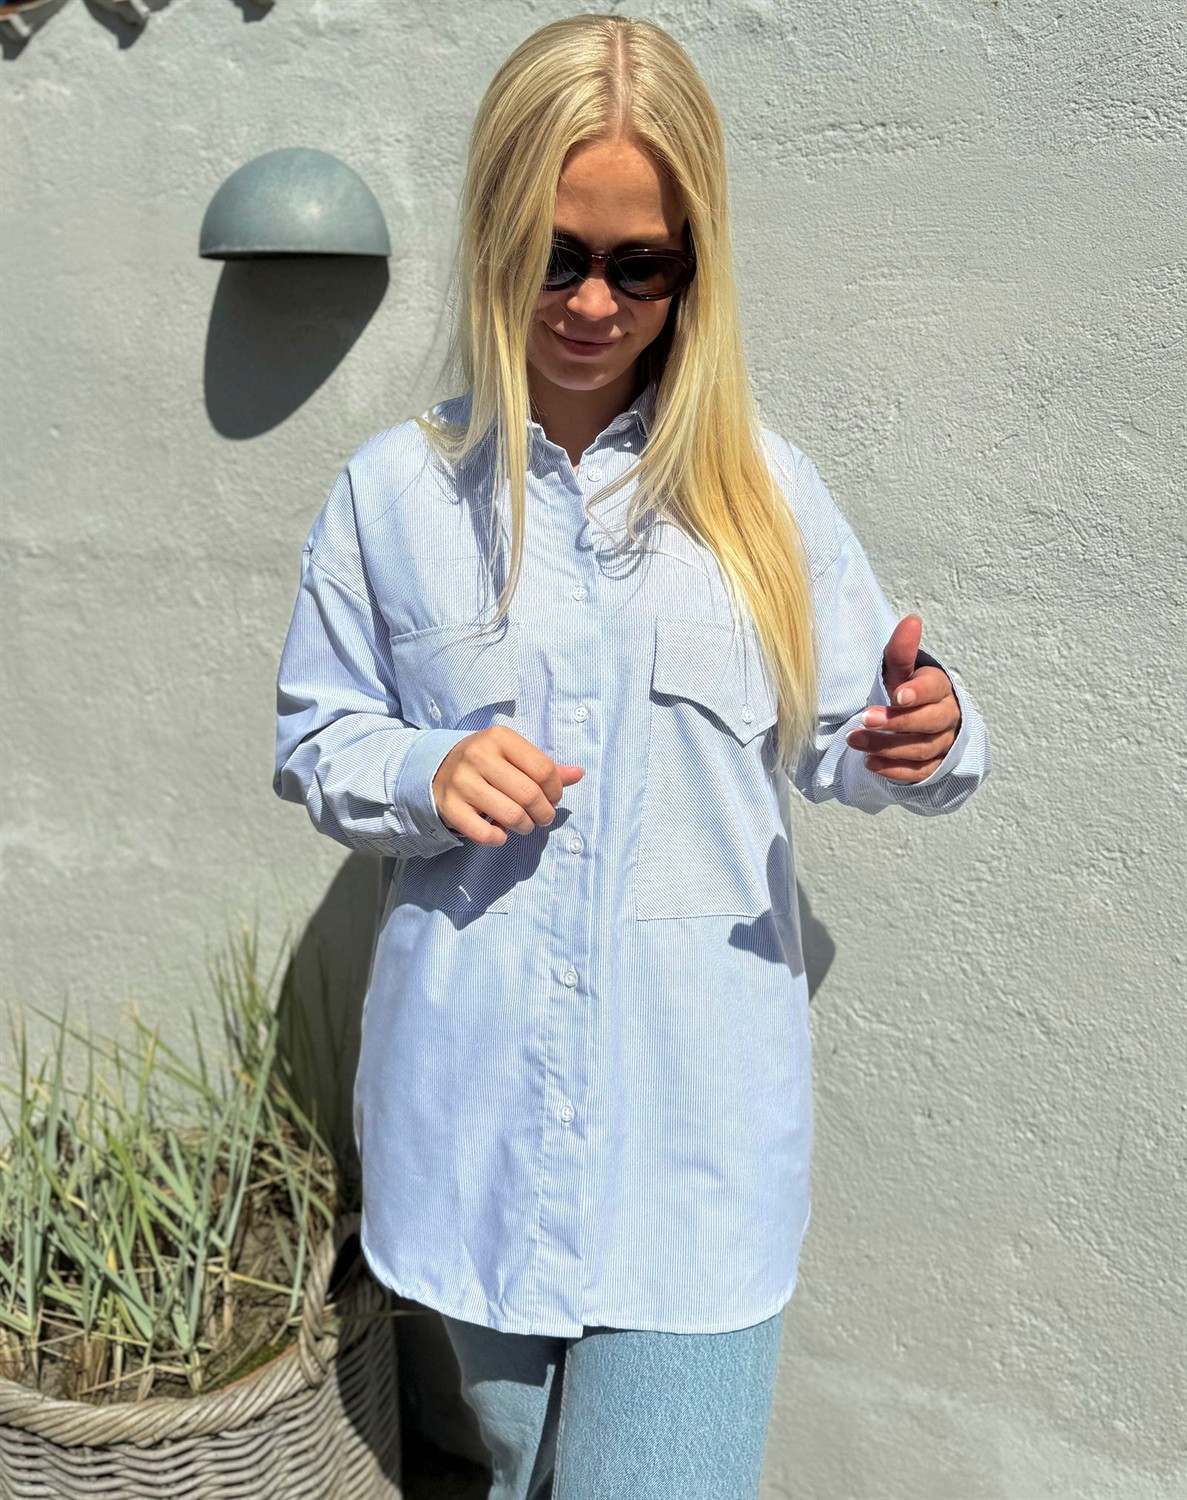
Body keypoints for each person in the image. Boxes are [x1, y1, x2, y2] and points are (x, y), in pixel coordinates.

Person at [273, 14, 991, 1499]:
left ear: (691, 265)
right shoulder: (394, 495)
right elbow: (318, 736)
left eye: (639, 264)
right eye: (554, 255)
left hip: (692, 1153)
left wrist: (921, 736)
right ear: (493, 231)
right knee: (522, 1472)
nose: (593, 302)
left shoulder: (766, 498)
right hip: (475, 1137)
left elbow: (862, 735)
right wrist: (422, 774)